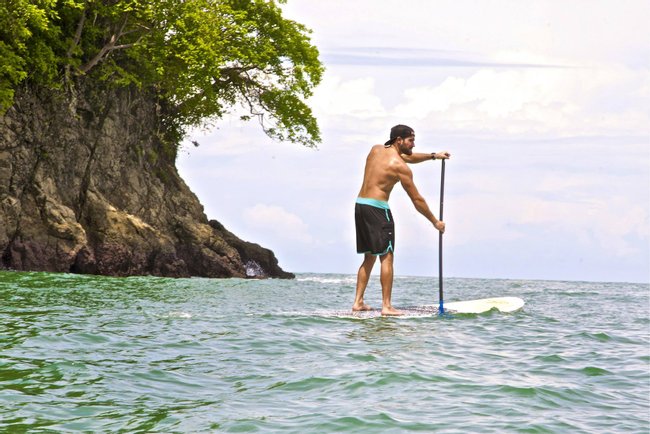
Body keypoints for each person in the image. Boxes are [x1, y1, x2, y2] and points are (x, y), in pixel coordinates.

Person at [353, 124, 450, 315]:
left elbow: (407, 156)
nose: (413, 144)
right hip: (378, 210)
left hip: (360, 206)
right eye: (411, 140)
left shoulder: (376, 150)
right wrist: (434, 222)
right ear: (399, 140)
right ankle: (387, 306)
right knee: (387, 256)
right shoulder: (400, 167)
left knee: (369, 256)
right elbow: (417, 200)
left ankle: (358, 302)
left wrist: (433, 156)